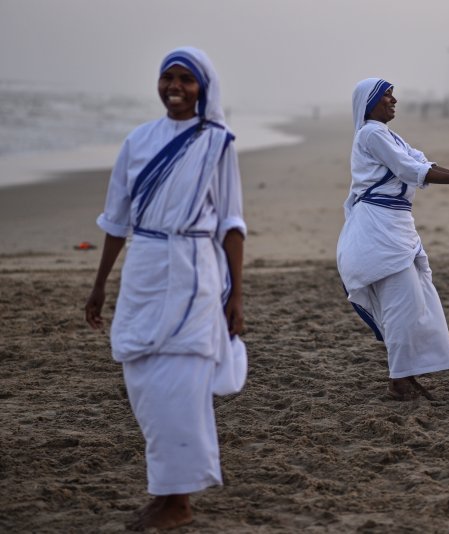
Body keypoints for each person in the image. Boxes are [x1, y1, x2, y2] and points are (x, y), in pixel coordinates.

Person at [84, 47, 247, 530]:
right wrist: (100, 286)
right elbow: (117, 221)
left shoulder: (218, 143)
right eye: (167, 78)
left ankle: (176, 500)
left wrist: (237, 295)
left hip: (197, 269)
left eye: (186, 79)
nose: (175, 87)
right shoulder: (137, 140)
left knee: (182, 382)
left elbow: (232, 225)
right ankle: (168, 490)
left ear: (204, 88)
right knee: (141, 377)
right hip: (144, 267)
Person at [337, 78, 449, 401]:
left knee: (412, 305)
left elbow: (421, 163)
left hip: (396, 227)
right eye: (386, 96)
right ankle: (398, 381)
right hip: (379, 232)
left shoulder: (390, 136)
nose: (394, 100)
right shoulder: (372, 133)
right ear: (369, 103)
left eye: (392, 95)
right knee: (402, 307)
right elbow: (408, 170)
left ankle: (403, 376)